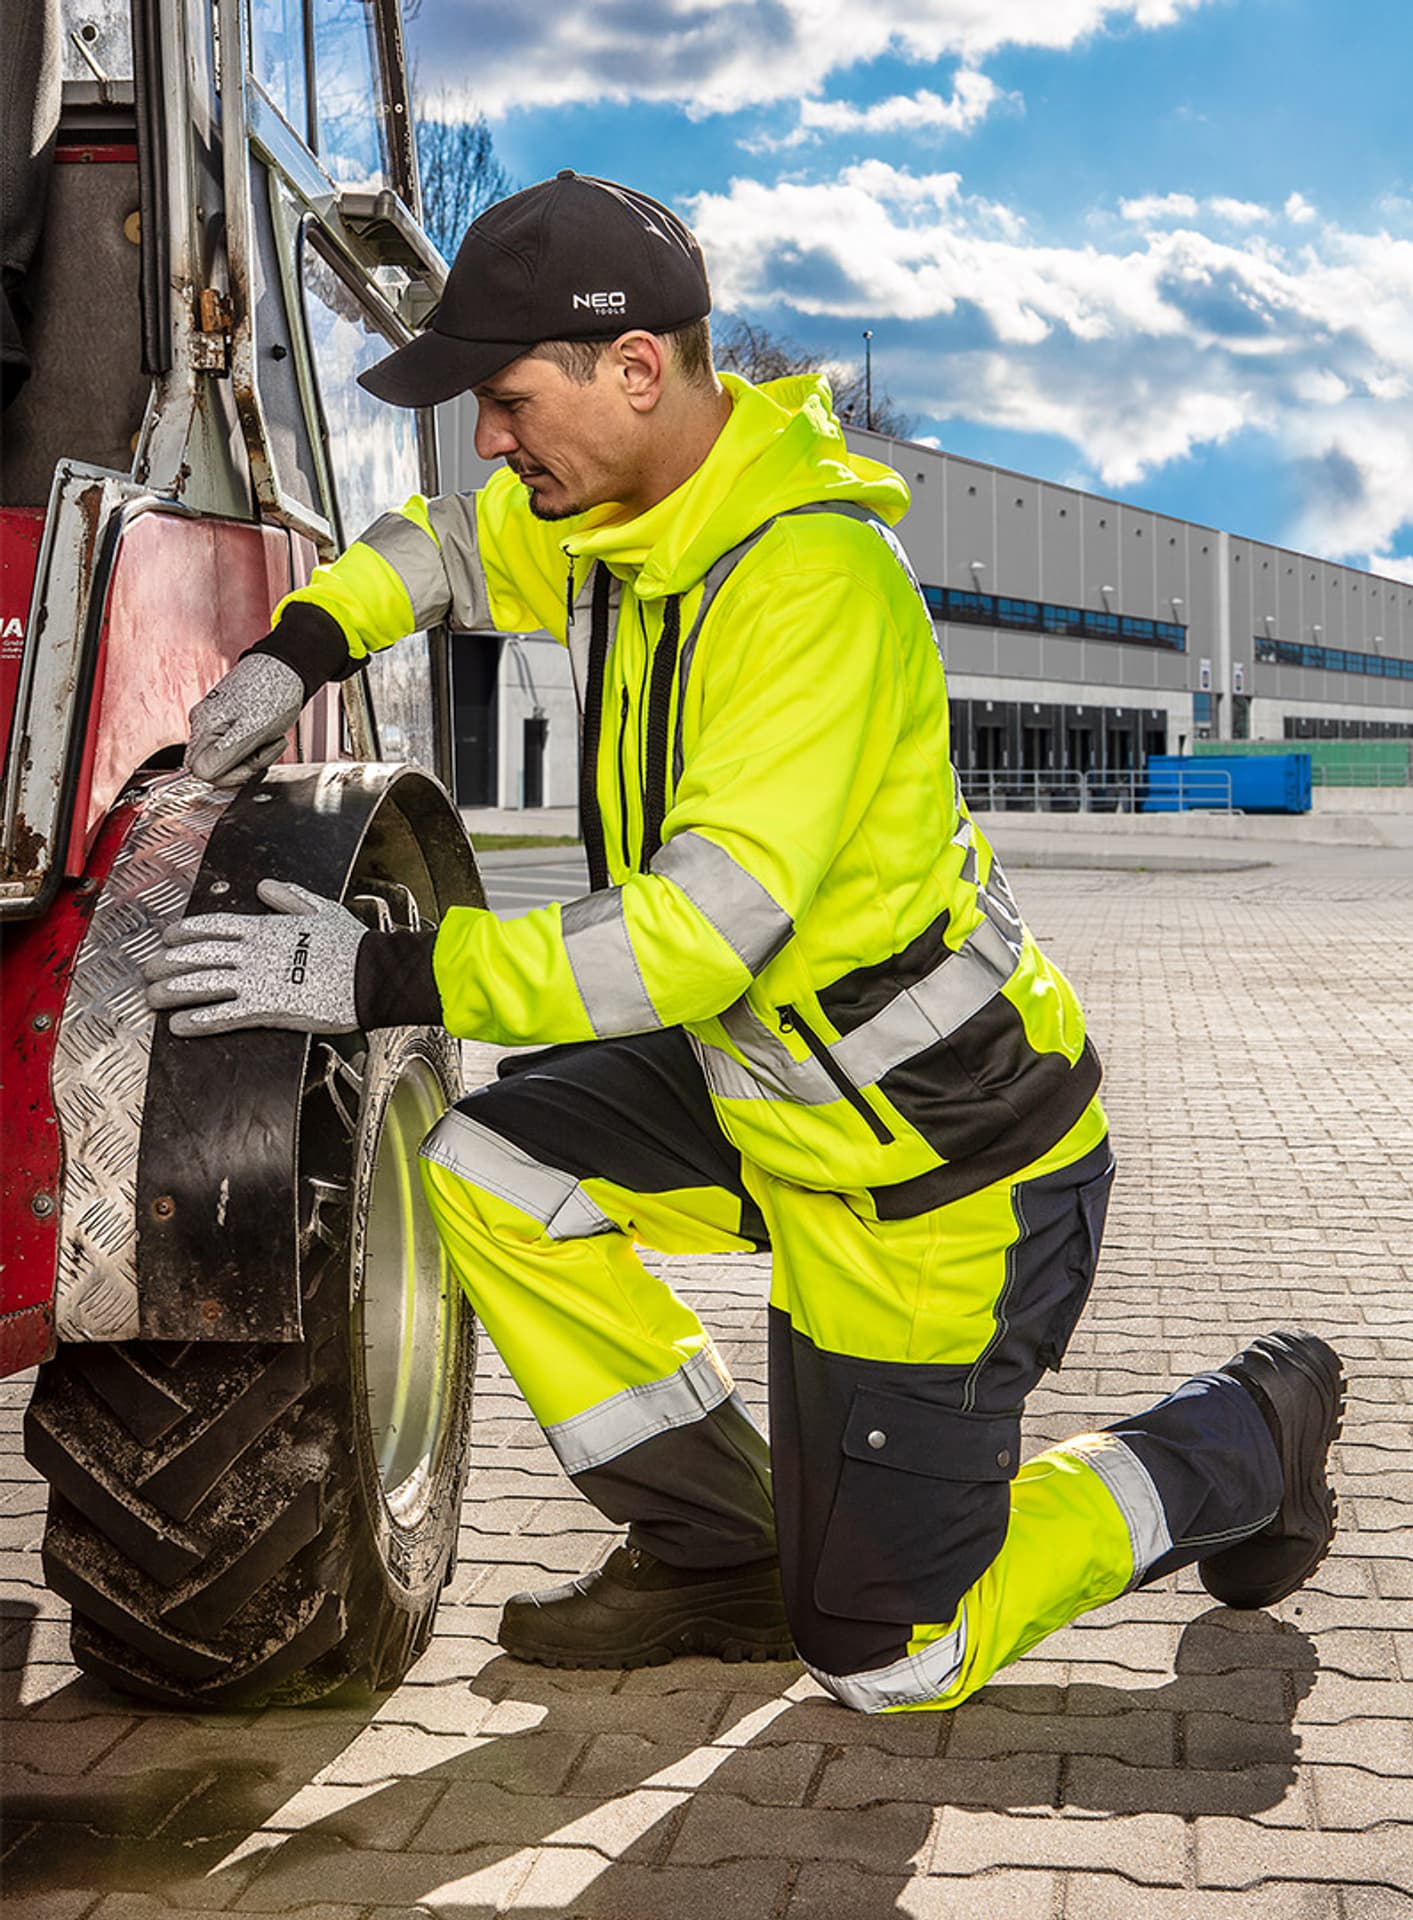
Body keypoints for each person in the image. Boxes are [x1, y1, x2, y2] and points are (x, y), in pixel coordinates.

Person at [144, 173, 1344, 1714]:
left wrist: (372, 974)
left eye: (507, 401)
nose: (493, 442)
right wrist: (299, 645)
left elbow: (686, 947)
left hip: (940, 1174)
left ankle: (1240, 1434)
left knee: (890, 1662)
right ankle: (715, 1547)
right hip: (776, 1098)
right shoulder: (627, 522)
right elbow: (442, 546)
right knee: (485, 1166)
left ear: (633, 370)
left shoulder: (810, 587)